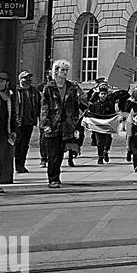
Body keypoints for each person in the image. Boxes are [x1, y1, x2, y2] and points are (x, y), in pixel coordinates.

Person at [38, 60, 81, 189]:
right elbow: (44, 107)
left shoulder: (71, 87)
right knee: (53, 154)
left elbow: (75, 105)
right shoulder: (49, 87)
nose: (65, 73)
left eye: (66, 70)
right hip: (52, 124)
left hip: (66, 125)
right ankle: (53, 178)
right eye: (62, 70)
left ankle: (56, 176)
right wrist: (45, 124)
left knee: (61, 153)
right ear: (55, 71)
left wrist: (74, 121)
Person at [12, 70, 40, 174]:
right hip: (19, 121)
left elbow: (38, 105)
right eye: (25, 78)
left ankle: (22, 164)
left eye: (29, 78)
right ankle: (18, 165)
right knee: (19, 143)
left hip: (29, 121)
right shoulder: (16, 91)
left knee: (25, 144)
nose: (28, 80)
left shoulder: (34, 91)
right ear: (20, 79)